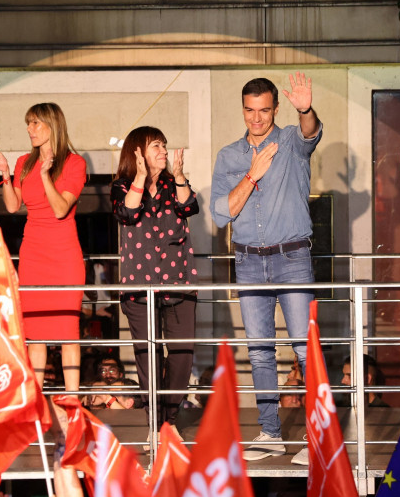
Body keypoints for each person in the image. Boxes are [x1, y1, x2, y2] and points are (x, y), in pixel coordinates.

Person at [211, 73, 321, 463]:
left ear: (276, 109)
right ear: (243, 109)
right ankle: (270, 432)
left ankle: (316, 438)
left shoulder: (290, 140)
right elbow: (221, 213)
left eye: (264, 110)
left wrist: (305, 109)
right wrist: (251, 175)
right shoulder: (229, 156)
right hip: (248, 261)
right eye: (249, 110)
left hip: (292, 259)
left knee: (305, 351)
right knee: (259, 352)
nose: (256, 118)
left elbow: (310, 132)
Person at [0, 103, 88, 392]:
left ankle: (71, 402)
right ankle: (34, 399)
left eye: (35, 124)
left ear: (52, 125)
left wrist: (46, 175)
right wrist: (6, 173)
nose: (30, 129)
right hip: (33, 254)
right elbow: (12, 205)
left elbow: (59, 209)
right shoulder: (23, 163)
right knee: (35, 334)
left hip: (64, 254)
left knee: (68, 333)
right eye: (28, 124)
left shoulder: (74, 163)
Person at [111, 126, 199, 435]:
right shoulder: (122, 186)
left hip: (179, 282)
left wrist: (179, 176)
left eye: (164, 144)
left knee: (181, 353)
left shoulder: (173, 184)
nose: (163, 150)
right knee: (147, 355)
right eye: (156, 146)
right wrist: (138, 177)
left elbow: (190, 207)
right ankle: (154, 423)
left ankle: (170, 422)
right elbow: (127, 214)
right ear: (137, 153)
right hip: (138, 286)